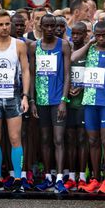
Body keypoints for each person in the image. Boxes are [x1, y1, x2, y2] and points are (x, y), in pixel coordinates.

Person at [72, 21, 105, 194]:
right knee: (93, 141)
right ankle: (95, 178)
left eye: (104, 35)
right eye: (98, 35)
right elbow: (73, 58)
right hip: (89, 101)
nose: (101, 38)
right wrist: (89, 42)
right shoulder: (90, 49)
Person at [0, 10, 30, 192]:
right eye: (0, 24)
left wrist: (25, 96)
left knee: (15, 137)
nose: (4, 28)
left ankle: (17, 178)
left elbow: (25, 71)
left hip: (13, 96)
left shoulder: (19, 45)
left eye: (7, 24)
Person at [29, 14, 71, 193]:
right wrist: (31, 100)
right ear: (40, 26)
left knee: (58, 139)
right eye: (45, 26)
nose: (49, 29)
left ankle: (60, 178)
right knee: (45, 139)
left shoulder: (64, 45)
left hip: (57, 100)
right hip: (41, 100)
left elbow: (68, 74)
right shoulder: (34, 46)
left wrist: (64, 100)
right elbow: (30, 75)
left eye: (52, 26)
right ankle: (47, 176)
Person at [65, 22, 89, 191]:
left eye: (79, 34)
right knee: (70, 140)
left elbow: (96, 73)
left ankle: (82, 175)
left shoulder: (90, 51)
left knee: (82, 139)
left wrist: (82, 85)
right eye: (73, 34)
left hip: (83, 102)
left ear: (85, 35)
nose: (75, 37)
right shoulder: (68, 49)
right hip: (68, 102)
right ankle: (71, 176)